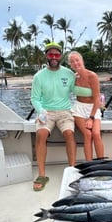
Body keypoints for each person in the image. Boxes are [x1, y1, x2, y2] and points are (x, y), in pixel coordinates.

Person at [31, 42, 76, 191]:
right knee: (41, 134)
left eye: (57, 54)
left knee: (69, 133)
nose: (54, 57)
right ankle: (42, 175)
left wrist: (94, 97)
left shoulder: (69, 74)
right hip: (46, 112)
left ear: (61, 56)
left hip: (65, 111)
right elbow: (35, 98)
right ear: (46, 56)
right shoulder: (39, 76)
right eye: (51, 54)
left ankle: (72, 171)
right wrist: (41, 111)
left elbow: (77, 91)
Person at [68, 51, 104, 161]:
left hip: (93, 108)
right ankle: (90, 164)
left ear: (82, 60)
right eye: (72, 62)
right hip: (78, 108)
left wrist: (91, 118)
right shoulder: (73, 78)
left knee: (96, 134)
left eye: (77, 60)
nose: (75, 63)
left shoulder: (92, 76)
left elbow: (97, 98)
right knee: (88, 135)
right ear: (70, 65)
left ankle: (102, 162)